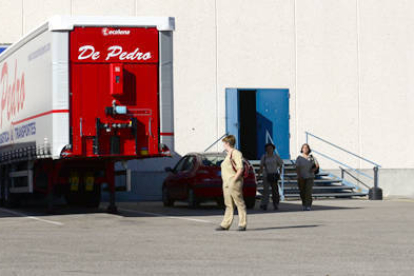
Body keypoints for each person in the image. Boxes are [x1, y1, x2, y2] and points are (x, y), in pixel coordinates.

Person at [216, 135, 247, 231]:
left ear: (227, 143)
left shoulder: (236, 153)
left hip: (233, 181)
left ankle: (242, 224)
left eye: (224, 143)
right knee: (228, 204)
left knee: (239, 203)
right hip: (226, 182)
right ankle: (225, 224)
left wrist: (234, 180)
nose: (223, 145)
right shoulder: (228, 155)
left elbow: (240, 168)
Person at [259, 143, 283, 211]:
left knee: (275, 191)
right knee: (266, 190)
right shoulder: (264, 156)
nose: (269, 149)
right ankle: (264, 204)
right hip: (266, 175)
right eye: (268, 148)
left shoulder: (276, 156)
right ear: (266, 149)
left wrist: (280, 173)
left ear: (273, 149)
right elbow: (261, 166)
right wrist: (259, 175)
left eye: (271, 148)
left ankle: (275, 204)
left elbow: (281, 164)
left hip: (274, 175)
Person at [296, 143, 319, 211]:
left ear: (309, 149)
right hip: (301, 177)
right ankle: (304, 204)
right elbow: (297, 167)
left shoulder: (312, 157)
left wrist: (313, 169)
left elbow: (317, 165)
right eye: (304, 148)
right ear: (302, 149)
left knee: (308, 191)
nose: (305, 149)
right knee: (302, 192)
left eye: (306, 148)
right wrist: (299, 175)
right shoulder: (299, 158)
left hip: (310, 177)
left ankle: (308, 205)